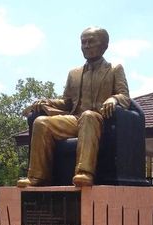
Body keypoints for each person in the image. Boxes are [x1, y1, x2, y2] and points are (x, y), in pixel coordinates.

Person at [17, 27, 131, 188]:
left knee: (89, 116)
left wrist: (113, 99)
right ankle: (38, 177)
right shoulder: (74, 73)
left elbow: (125, 96)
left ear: (104, 45)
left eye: (91, 41)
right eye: (83, 42)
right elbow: (67, 103)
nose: (86, 46)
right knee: (41, 122)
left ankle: (84, 173)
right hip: (75, 120)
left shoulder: (114, 69)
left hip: (100, 121)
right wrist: (46, 102)